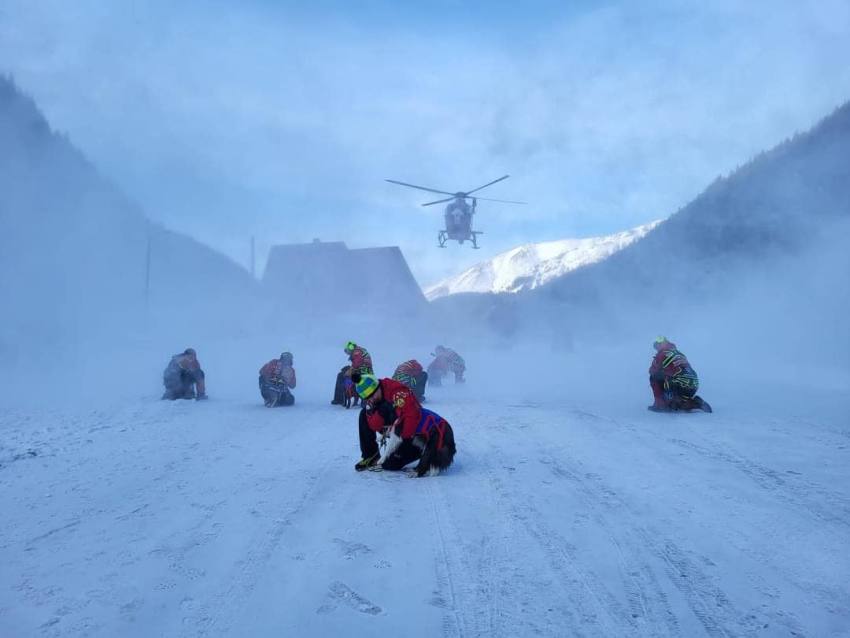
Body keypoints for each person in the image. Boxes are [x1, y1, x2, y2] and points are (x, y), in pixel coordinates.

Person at [352, 373, 456, 476]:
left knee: (390, 465)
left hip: (415, 433)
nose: (371, 399)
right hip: (398, 430)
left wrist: (401, 438)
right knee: (363, 415)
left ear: (378, 386)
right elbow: (374, 425)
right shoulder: (371, 399)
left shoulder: (397, 392)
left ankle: (424, 452)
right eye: (367, 398)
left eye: (372, 395)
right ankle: (371, 456)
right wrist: (380, 414)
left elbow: (412, 415)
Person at [648, 337, 712, 413]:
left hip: (678, 385)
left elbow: (652, 370)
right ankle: (696, 402)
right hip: (693, 385)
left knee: (653, 377)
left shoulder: (661, 354)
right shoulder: (679, 353)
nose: (656, 349)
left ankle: (660, 405)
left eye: (657, 346)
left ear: (661, 344)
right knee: (676, 405)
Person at [332, 341, 374, 405]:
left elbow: (356, 364)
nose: (347, 353)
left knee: (341, 376)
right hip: (366, 372)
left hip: (363, 373)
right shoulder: (360, 350)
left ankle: (339, 399)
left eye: (347, 350)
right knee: (344, 375)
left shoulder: (356, 351)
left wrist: (349, 371)